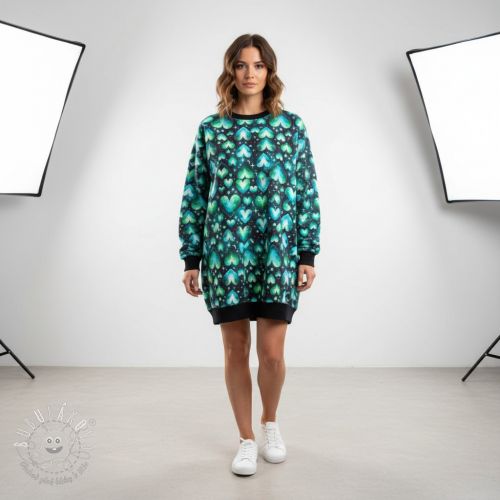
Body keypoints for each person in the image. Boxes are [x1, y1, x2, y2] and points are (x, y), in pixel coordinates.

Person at [178, 33, 321, 476]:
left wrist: (307, 252)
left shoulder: (291, 127)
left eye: (258, 65)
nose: (249, 74)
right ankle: (245, 439)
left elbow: (307, 191)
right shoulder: (212, 130)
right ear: (230, 71)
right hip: (226, 256)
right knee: (235, 350)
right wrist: (191, 259)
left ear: (269, 71)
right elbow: (194, 195)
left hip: (277, 254)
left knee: (272, 353)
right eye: (241, 65)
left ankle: (269, 423)